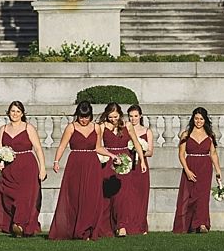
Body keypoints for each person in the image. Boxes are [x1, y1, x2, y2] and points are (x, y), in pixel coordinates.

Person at [48, 102, 115, 240]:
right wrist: (56, 161)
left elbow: (98, 147)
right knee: (74, 196)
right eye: (81, 117)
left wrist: (112, 155)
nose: (84, 120)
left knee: (91, 196)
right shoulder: (71, 127)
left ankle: (88, 229)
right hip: (75, 163)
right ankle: (74, 229)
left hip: (92, 164)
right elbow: (62, 146)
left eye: (86, 117)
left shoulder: (96, 127)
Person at [0, 100, 47, 237]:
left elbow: (38, 148)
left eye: (18, 111)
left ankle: (19, 224)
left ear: (22, 113)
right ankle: (14, 223)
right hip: (9, 167)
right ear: (9, 112)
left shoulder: (28, 128)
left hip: (27, 166)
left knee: (25, 196)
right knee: (9, 196)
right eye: (13, 111)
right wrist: (0, 163)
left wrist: (42, 168)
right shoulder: (3, 129)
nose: (15, 114)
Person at [96, 103, 146, 238]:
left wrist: (141, 160)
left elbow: (136, 142)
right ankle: (105, 226)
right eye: (110, 117)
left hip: (125, 162)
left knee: (123, 195)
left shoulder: (127, 125)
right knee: (108, 196)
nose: (113, 119)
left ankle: (121, 225)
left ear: (120, 114)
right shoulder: (101, 127)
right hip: (109, 162)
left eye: (115, 117)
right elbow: (98, 146)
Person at [173, 107, 224, 233]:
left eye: (201, 119)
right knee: (187, 196)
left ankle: (202, 224)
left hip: (205, 167)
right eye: (196, 118)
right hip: (190, 165)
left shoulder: (210, 135)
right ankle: (186, 225)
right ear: (193, 119)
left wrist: (218, 171)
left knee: (203, 197)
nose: (198, 121)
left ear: (205, 120)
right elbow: (181, 154)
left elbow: (213, 154)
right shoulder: (186, 134)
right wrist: (187, 170)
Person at [124, 104, 154, 235]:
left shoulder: (147, 131)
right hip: (128, 164)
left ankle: (140, 225)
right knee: (128, 196)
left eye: (135, 116)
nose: (133, 119)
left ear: (140, 116)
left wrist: (140, 151)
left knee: (141, 195)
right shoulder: (125, 130)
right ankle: (127, 225)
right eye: (130, 116)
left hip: (141, 166)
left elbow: (150, 151)